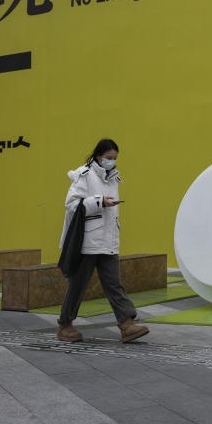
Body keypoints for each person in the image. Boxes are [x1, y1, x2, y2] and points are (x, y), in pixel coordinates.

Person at [57, 138, 149, 343]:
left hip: (108, 241)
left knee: (114, 284)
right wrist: (99, 202)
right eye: (108, 158)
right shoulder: (84, 175)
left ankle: (126, 325)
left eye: (115, 158)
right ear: (98, 156)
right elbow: (71, 205)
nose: (112, 161)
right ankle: (65, 325)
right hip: (87, 242)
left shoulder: (113, 178)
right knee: (77, 285)